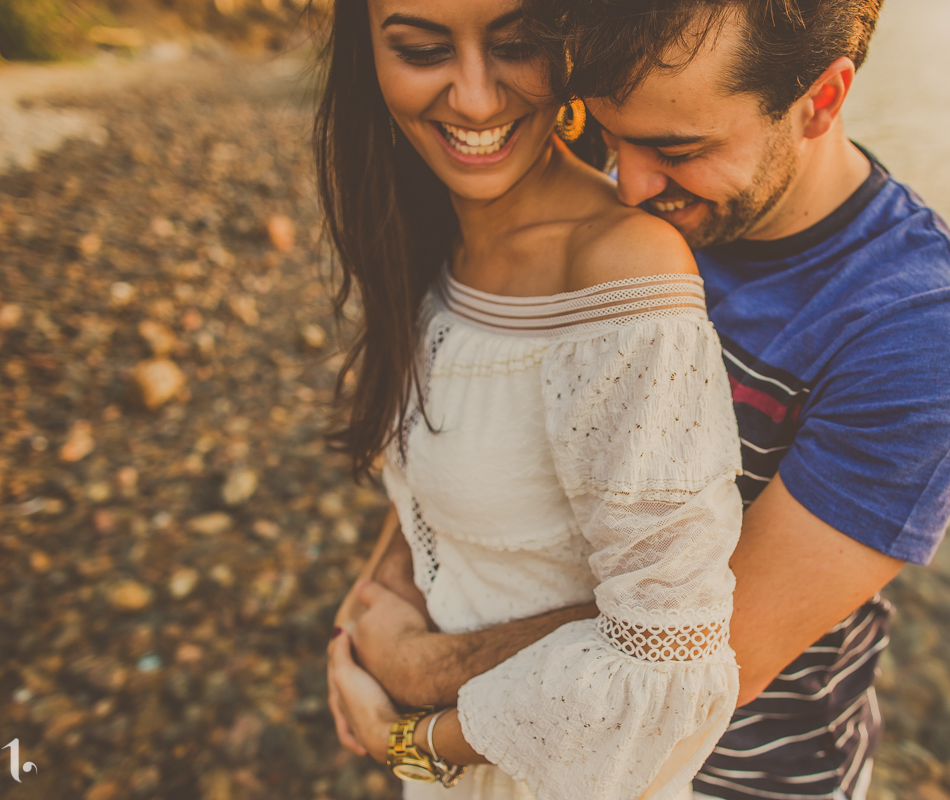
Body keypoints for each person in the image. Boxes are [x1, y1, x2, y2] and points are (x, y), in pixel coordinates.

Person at [337, 1, 950, 799]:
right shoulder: (641, 119)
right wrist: (384, 586)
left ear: (822, 100)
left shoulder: (924, 334)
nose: (625, 183)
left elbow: (710, 649)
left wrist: (411, 686)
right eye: (604, 134)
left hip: (739, 777)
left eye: (675, 150)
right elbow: (486, 412)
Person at [317, 1, 746, 799]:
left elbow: (670, 654)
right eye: (420, 49)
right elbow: (436, 484)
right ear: (364, 55)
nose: (477, 100)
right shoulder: (429, 230)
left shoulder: (623, 279)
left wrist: (404, 734)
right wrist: (375, 601)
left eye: (517, 45)